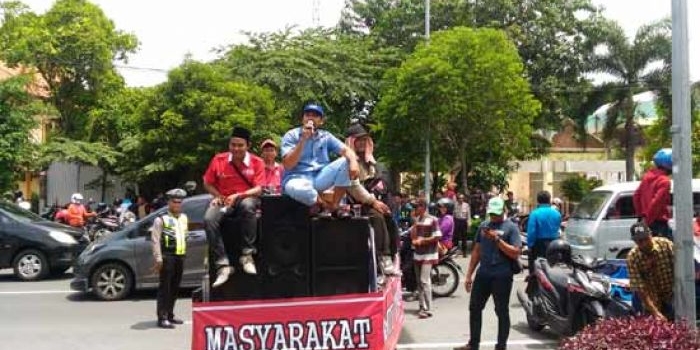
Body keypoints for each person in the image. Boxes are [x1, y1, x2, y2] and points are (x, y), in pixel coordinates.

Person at [455, 197, 521, 350]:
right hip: (483, 273)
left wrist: (497, 240)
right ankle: (473, 343)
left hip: (502, 275)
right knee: (475, 307)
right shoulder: (484, 226)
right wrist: (469, 275)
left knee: (501, 310)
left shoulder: (511, 228)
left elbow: (516, 253)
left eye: (496, 213)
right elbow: (477, 251)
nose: (493, 217)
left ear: (503, 210)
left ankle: (501, 345)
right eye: (491, 213)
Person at [203, 126, 265, 287]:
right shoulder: (219, 160)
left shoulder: (257, 162)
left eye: (240, 145)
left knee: (247, 205)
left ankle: (247, 255)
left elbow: (259, 189)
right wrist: (217, 196)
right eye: (233, 145)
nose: (236, 148)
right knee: (209, 218)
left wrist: (239, 195)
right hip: (224, 201)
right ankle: (223, 265)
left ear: (247, 146)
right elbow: (207, 182)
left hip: (245, 198)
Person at [280, 103, 366, 212]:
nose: (310, 117)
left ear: (321, 121)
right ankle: (325, 205)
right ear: (303, 119)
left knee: (346, 161)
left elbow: (346, 150)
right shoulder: (291, 135)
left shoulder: (325, 136)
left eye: (315, 115)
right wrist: (303, 140)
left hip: (319, 178)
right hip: (297, 178)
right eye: (307, 115)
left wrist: (353, 162)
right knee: (295, 188)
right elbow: (288, 165)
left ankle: (335, 204)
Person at [343, 123, 394, 274]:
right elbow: (354, 188)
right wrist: (373, 202)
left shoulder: (371, 163)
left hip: (370, 200)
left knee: (389, 216)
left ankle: (394, 253)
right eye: (358, 140)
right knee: (377, 216)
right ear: (351, 142)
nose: (361, 143)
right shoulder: (347, 162)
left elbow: (379, 183)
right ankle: (382, 257)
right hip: (352, 204)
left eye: (364, 140)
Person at [151, 188, 188, 329]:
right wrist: (158, 258)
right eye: (174, 201)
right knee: (165, 288)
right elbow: (155, 239)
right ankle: (162, 317)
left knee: (175, 287)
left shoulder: (184, 218)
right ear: (169, 202)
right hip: (167, 257)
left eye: (179, 202)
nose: (177, 204)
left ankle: (170, 315)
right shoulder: (161, 219)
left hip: (180, 256)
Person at [626, 222, 674, 321]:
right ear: (634, 241)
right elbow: (640, 288)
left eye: (646, 239)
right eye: (639, 241)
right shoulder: (633, 257)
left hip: (672, 295)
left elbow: (679, 267)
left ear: (650, 234)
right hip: (651, 299)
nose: (644, 244)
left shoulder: (665, 245)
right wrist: (655, 312)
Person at [410, 198, 441, 319]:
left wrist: (423, 241)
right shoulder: (417, 220)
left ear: (423, 207)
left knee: (424, 280)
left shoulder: (433, 220)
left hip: (429, 254)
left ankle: (428, 308)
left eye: (417, 207)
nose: (415, 209)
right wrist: (414, 224)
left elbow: (437, 236)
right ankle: (422, 307)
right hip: (418, 254)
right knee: (419, 282)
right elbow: (413, 237)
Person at [633, 148, 673, 239]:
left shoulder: (647, 177)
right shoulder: (664, 181)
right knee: (666, 250)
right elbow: (656, 203)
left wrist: (641, 216)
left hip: (643, 221)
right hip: (657, 224)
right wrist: (647, 221)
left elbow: (636, 196)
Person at [526, 191, 562, 274]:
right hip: (554, 244)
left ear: (538, 201)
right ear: (549, 200)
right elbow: (558, 228)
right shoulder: (557, 214)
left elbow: (531, 232)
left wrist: (530, 246)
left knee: (536, 271)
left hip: (539, 245)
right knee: (552, 269)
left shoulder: (534, 213)